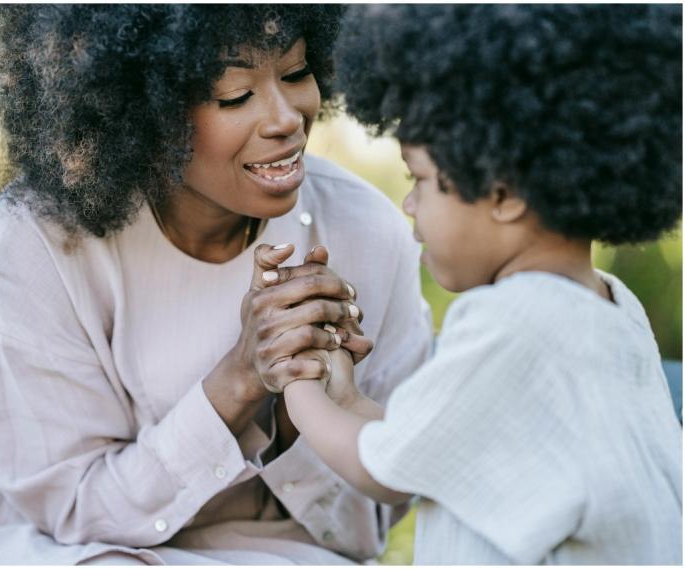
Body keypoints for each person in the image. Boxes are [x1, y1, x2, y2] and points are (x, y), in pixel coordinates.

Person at [0, 5, 432, 565]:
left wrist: (303, 417)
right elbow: (69, 510)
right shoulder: (40, 240)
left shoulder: (367, 231)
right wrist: (242, 379)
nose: (286, 118)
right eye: (234, 94)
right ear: (141, 108)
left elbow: (373, 518)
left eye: (296, 73)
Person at [277, 4, 683, 565]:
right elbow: (433, 443)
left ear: (504, 192)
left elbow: (385, 472)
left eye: (420, 178)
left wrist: (294, 386)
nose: (409, 203)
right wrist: (345, 399)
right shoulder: (611, 306)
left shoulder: (512, 321)